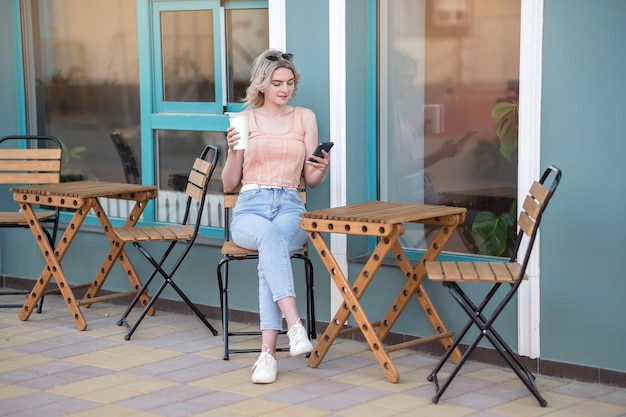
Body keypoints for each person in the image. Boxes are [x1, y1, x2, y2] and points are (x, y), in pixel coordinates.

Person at [221, 49, 330, 384]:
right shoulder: (244, 119)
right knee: (269, 238)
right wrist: (232, 152)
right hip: (249, 206)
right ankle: (294, 326)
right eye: (277, 82)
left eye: (290, 82)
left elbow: (310, 180)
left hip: (290, 205)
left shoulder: (305, 118)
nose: (284, 88)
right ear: (263, 85)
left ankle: (267, 355)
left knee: (274, 244)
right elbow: (228, 183)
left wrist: (321, 169)